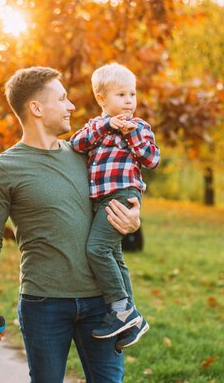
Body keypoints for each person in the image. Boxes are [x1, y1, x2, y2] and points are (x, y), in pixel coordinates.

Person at [0, 67, 141, 383]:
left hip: (101, 303)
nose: (72, 107)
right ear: (36, 108)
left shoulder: (88, 155)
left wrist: (134, 218)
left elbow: (122, 190)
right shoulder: (3, 168)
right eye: (63, 99)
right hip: (44, 304)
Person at [69, 63, 160, 349]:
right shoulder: (96, 128)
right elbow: (76, 144)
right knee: (113, 253)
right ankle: (130, 317)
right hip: (102, 198)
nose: (129, 101)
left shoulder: (141, 127)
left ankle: (121, 310)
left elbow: (152, 159)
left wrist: (131, 134)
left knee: (96, 249)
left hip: (123, 194)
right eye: (121, 95)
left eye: (132, 94)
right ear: (102, 99)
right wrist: (107, 125)